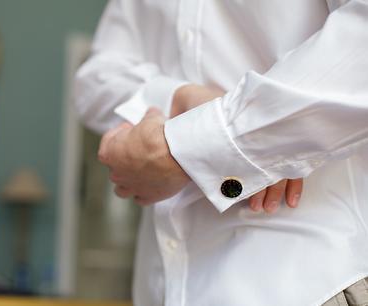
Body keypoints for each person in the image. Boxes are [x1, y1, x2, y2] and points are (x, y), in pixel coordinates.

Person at [75, 0, 368, 305]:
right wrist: (181, 99)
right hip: (160, 286)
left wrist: (211, 140)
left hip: (309, 281)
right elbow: (96, 77)